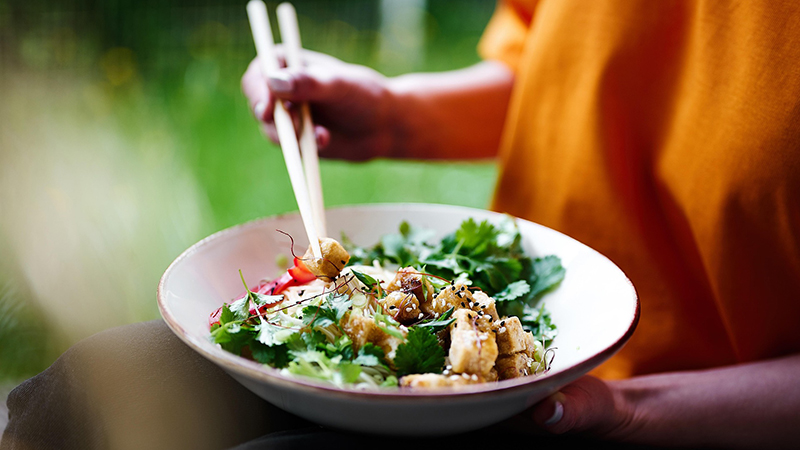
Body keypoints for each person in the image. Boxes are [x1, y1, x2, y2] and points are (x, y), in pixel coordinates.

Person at [241, 0, 800, 448]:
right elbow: (554, 71)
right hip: (527, 376)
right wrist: (392, 116)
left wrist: (632, 411)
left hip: (697, 418)